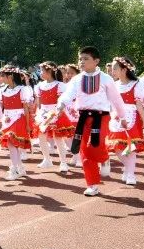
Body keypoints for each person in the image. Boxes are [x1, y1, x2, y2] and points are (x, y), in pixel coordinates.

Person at [49, 47, 130, 196]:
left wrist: (123, 117)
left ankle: (104, 158)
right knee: (85, 151)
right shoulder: (77, 79)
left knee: (96, 145)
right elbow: (68, 95)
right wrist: (60, 106)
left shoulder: (106, 78)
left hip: (101, 117)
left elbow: (116, 100)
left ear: (96, 61)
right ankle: (92, 185)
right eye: (80, 59)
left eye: (86, 58)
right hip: (83, 118)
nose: (81, 62)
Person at [107, 57, 144, 186]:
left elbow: (139, 103)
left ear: (124, 69)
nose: (112, 71)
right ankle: (128, 168)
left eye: (115, 68)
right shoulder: (113, 85)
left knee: (130, 146)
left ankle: (130, 174)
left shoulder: (136, 84)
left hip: (131, 117)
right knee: (117, 147)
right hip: (116, 117)